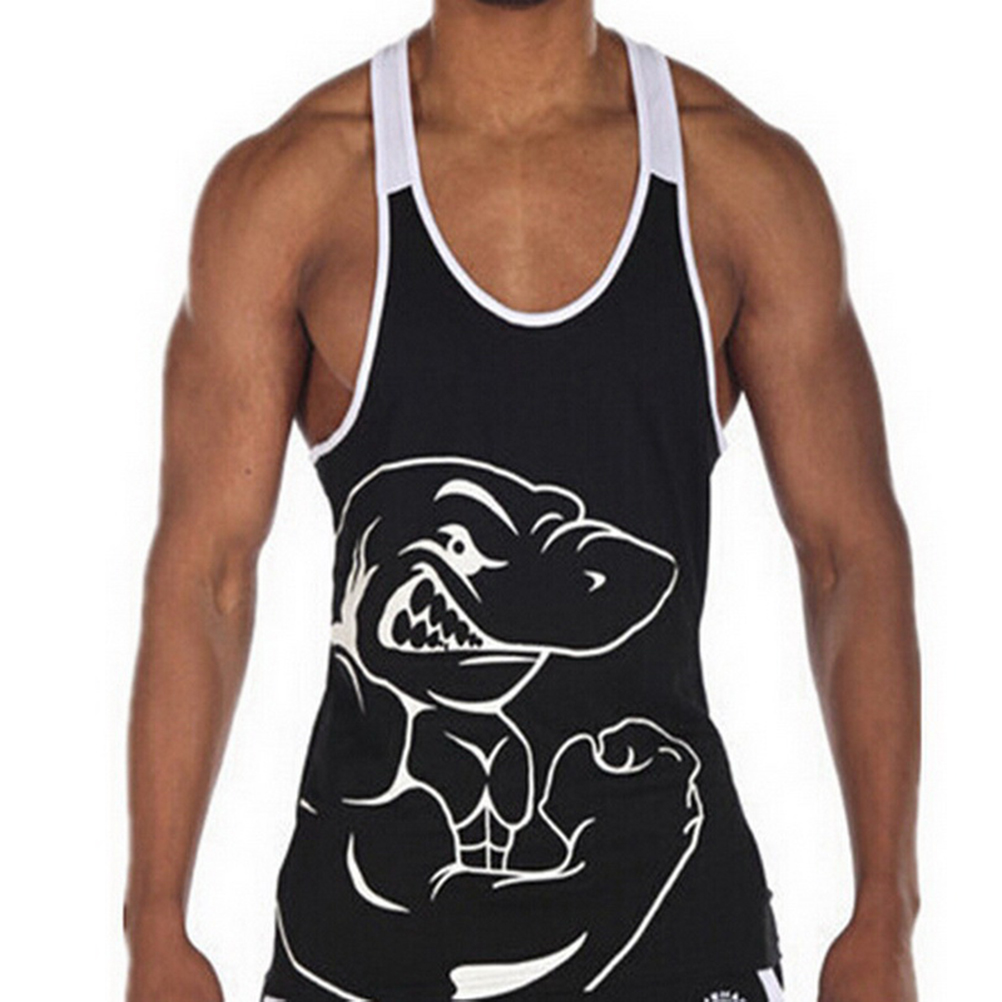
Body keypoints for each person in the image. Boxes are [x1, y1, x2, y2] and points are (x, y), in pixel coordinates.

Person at [122, 1, 921, 1000]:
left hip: (677, 927)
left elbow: (849, 555)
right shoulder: (294, 190)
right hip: (362, 953)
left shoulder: (741, 182)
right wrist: (156, 924)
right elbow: (208, 574)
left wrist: (885, 909)